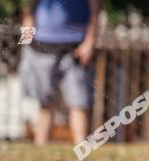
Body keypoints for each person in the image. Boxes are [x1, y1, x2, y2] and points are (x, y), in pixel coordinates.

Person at [19, 0, 99, 145]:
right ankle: (40, 149)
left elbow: (95, 10)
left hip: (76, 47)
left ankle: (82, 152)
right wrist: (26, 45)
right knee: (45, 103)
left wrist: (89, 42)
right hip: (41, 46)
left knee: (78, 104)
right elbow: (29, 9)